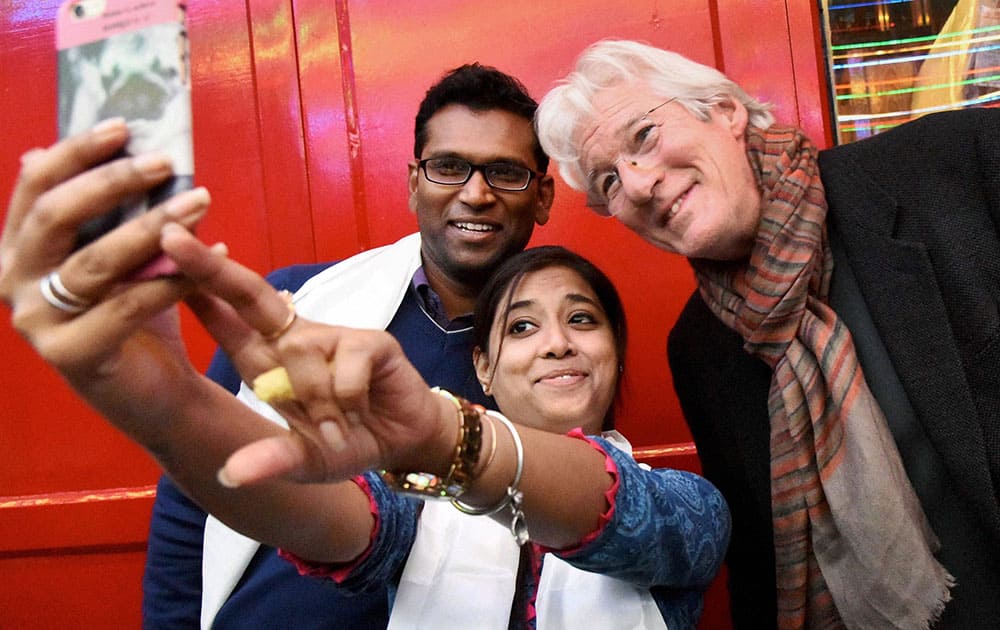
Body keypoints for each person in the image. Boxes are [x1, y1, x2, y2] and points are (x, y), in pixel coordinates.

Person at [0, 124, 733, 628]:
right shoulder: (423, 520)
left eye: (581, 320)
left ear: (615, 352)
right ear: (482, 365)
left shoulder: (684, 510)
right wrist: (169, 406)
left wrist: (441, 435)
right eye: (520, 326)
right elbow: (327, 519)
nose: (554, 344)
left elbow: (613, 508)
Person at [535, 38, 1000, 629]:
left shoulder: (953, 167)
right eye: (607, 182)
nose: (639, 184)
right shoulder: (700, 348)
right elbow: (761, 567)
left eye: (644, 136)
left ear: (725, 111)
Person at [142, 63, 556, 627]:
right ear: (415, 182)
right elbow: (199, 486)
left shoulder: (563, 350)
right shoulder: (298, 302)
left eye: (506, 173)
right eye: (448, 167)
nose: (476, 193)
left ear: (543, 198)